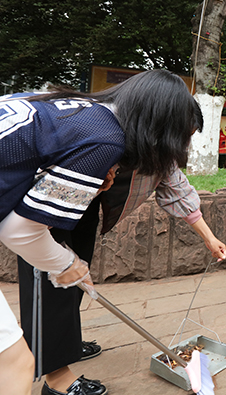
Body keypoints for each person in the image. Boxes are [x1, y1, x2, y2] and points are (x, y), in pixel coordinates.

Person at [0, 70, 211, 395]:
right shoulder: (103, 139)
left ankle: (63, 348)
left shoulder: (83, 112)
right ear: (159, 124)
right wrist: (67, 264)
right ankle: (57, 377)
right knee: (16, 362)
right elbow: (21, 232)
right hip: (29, 224)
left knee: (15, 357)